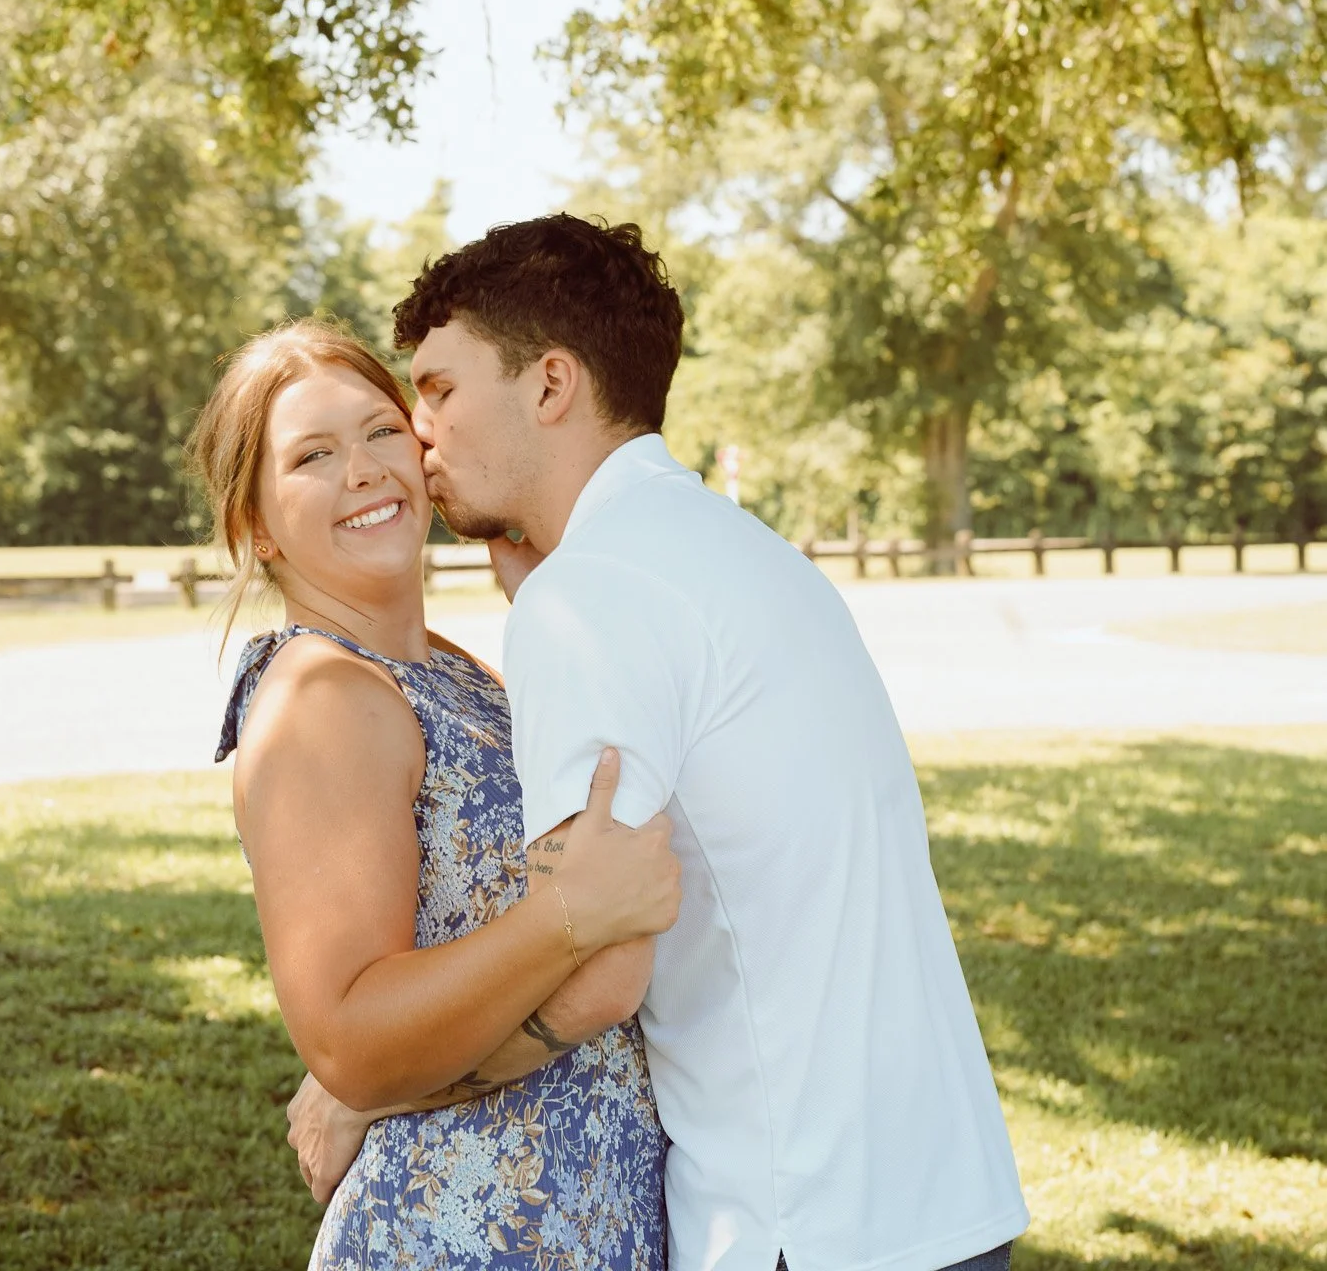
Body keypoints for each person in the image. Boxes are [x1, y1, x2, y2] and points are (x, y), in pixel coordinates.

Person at [294, 214, 1030, 1271]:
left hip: (798, 1221)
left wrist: (375, 1086)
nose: (418, 430)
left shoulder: (587, 599)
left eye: (441, 388)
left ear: (551, 383)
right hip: (932, 1192)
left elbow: (599, 976)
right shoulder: (736, 548)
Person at [191, 319, 678, 1271]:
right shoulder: (320, 697)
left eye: (382, 431)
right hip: (458, 1231)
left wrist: (547, 597)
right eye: (312, 456)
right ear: (255, 527)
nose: (364, 469)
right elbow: (349, 1039)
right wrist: (566, 918)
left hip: (583, 1218)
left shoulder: (448, 671)